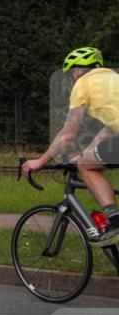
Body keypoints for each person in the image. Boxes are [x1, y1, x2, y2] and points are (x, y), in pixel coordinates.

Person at [22, 47, 119, 245]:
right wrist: (86, 153)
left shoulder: (83, 84)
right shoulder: (113, 78)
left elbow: (68, 134)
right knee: (87, 160)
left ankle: (115, 223)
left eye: (70, 75)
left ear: (76, 71)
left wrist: (40, 161)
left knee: (85, 166)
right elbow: (108, 131)